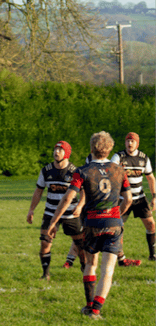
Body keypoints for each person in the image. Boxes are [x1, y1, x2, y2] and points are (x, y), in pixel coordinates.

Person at [47, 131, 132, 320]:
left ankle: (88, 305)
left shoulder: (82, 171)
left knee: (91, 264)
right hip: (113, 223)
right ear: (110, 148)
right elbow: (129, 199)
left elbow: (69, 197)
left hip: (92, 223)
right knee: (108, 269)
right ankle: (96, 310)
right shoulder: (120, 170)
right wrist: (118, 214)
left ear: (91, 148)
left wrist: (54, 221)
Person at [27, 141, 85, 281]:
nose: (56, 152)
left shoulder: (75, 172)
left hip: (71, 213)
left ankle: (85, 268)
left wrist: (80, 206)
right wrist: (31, 210)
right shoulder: (46, 170)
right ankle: (45, 274)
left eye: (60, 150)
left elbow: (84, 192)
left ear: (67, 153)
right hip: (50, 212)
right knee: (45, 243)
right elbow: (38, 191)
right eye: (55, 149)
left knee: (80, 244)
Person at [110, 132, 156, 264]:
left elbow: (151, 178)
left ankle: (153, 255)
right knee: (118, 227)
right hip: (122, 198)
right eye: (127, 141)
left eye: (132, 141)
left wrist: (154, 197)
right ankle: (121, 258)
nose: (129, 143)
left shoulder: (143, 158)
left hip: (140, 198)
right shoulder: (118, 157)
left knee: (151, 225)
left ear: (137, 143)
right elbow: (111, 175)